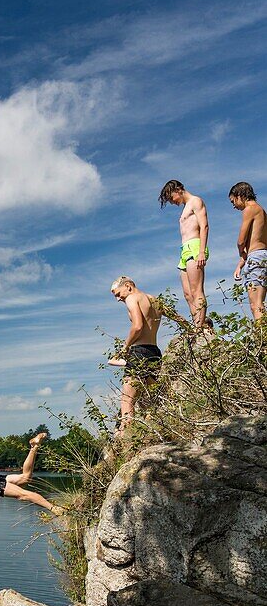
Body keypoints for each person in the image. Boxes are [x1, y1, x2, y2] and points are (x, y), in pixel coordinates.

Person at [108, 276, 163, 435]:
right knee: (151, 399)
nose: (118, 299)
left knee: (127, 400)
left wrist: (125, 347)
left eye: (118, 294)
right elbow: (176, 316)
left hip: (139, 351)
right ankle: (152, 432)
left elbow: (137, 326)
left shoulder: (132, 298)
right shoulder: (155, 300)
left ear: (128, 286)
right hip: (155, 352)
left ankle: (127, 437)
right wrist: (191, 329)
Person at [159, 179, 209, 328]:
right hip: (184, 249)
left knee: (196, 289)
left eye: (171, 198)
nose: (172, 202)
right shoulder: (185, 207)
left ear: (178, 189)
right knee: (188, 294)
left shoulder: (196, 201)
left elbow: (204, 226)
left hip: (195, 246)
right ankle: (196, 325)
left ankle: (200, 327)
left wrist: (201, 252)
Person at [230, 181, 266, 322]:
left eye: (233, 201)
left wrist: (241, 253)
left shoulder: (250, 209)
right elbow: (256, 241)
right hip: (262, 256)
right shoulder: (262, 211)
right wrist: (240, 264)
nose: (234, 205)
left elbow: (241, 241)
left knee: (256, 306)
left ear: (240, 195)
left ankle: (262, 342)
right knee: (260, 304)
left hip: (256, 258)